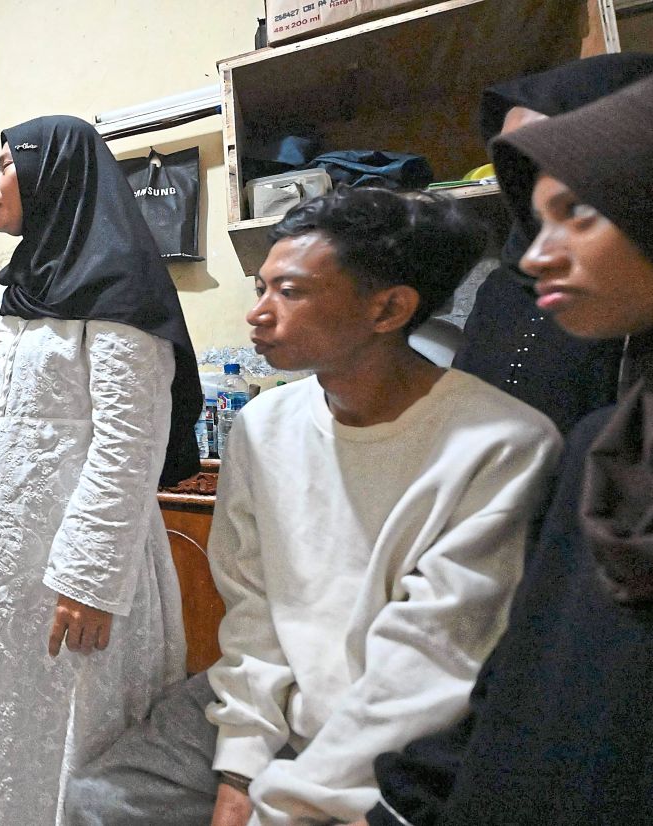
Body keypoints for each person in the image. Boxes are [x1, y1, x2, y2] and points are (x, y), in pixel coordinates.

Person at [63, 187, 563, 826]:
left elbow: (430, 664)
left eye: (290, 292)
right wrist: (241, 769)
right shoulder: (263, 425)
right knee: (101, 802)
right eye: (259, 289)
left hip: (410, 730)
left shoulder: (501, 443)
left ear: (388, 308)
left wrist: (289, 807)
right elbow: (255, 609)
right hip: (272, 701)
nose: (258, 315)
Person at [364, 74, 653, 826]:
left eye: (579, 211)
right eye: (536, 216)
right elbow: (529, 670)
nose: (534, 256)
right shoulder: (606, 444)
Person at [0, 114, 202, 825]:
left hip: (75, 568)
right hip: (3, 554)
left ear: (57, 177)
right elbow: (18, 406)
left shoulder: (119, 291)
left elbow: (128, 441)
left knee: (72, 723)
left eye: (6, 166)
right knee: (0, 713)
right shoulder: (12, 292)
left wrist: (89, 577)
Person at [452, 53, 653, 434]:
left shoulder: (624, 296)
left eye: (553, 150)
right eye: (516, 161)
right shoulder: (501, 293)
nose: (537, 258)